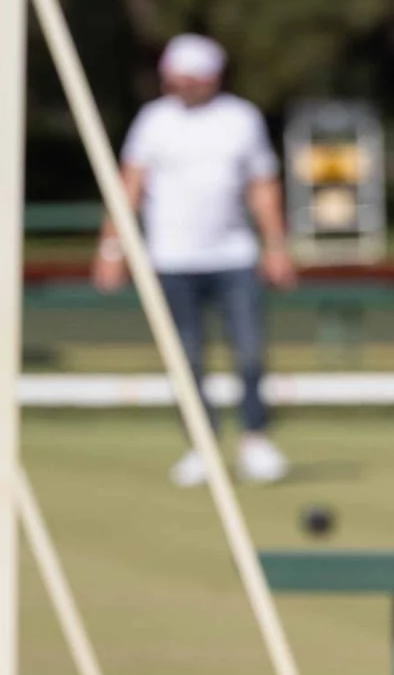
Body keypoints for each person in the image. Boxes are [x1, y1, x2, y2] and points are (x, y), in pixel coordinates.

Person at [99, 33, 294, 486]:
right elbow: (129, 186)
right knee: (186, 359)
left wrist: (277, 246)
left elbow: (262, 186)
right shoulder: (153, 122)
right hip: (171, 260)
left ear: (211, 78)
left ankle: (255, 439)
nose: (181, 86)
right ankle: (201, 444)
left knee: (249, 354)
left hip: (234, 257)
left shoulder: (241, 119)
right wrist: (112, 248)